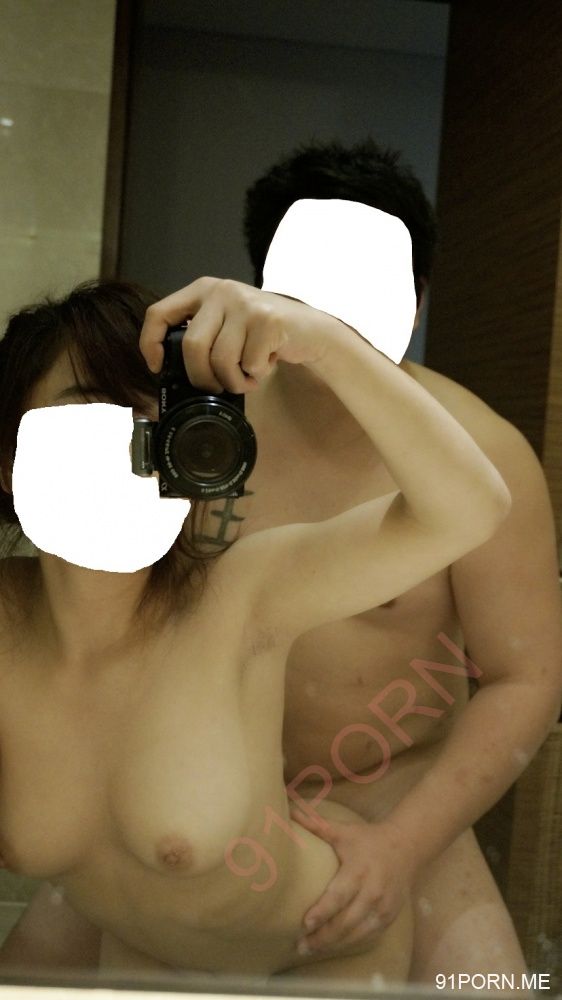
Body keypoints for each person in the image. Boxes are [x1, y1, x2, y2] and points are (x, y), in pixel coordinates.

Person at [0, 274, 512, 979]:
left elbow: (469, 508)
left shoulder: (242, 594)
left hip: (323, 951)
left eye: (154, 422)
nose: (128, 450)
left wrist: (322, 340)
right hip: (142, 956)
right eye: (90, 416)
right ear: (9, 461)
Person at [143, 140, 562, 982]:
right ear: (262, 286)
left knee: (492, 987)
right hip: (203, 784)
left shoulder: (482, 453)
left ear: (416, 295)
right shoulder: (196, 427)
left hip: (391, 790)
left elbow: (527, 677)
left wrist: (402, 846)